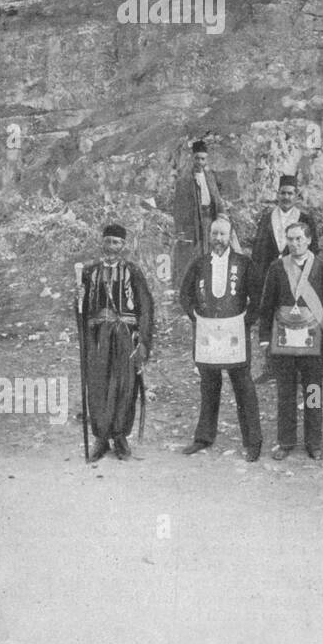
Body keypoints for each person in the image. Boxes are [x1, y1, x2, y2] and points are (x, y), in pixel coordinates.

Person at [179, 215, 262, 462]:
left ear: (230, 236)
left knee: (243, 386)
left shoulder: (244, 263)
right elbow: (185, 295)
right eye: (214, 234)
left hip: (235, 335)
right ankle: (204, 436)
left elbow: (257, 297)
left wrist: (244, 322)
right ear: (209, 236)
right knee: (209, 386)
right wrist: (196, 317)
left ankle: (253, 441)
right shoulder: (199, 264)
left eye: (222, 234)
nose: (218, 239)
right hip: (208, 336)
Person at [257, 221, 323, 460]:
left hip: (314, 343)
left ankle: (313, 442)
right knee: (286, 392)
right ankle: (286, 441)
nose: (295, 243)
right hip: (284, 342)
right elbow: (266, 304)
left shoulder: (322, 268)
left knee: (313, 391)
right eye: (290, 239)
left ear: (310, 240)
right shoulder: (278, 268)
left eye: (299, 238)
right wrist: (263, 338)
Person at [78, 223, 154, 461]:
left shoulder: (132, 271)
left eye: (116, 242)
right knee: (98, 385)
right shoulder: (90, 272)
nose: (111, 246)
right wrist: (78, 301)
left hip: (124, 336)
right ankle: (101, 438)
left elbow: (146, 308)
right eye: (108, 241)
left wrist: (143, 341)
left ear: (123, 246)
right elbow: (82, 310)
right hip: (99, 337)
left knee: (124, 386)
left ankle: (120, 436)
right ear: (102, 242)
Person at [249, 175, 318, 311]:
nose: (286, 197)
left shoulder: (306, 219)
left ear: (296, 196)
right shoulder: (267, 219)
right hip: (270, 276)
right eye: (283, 193)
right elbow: (258, 251)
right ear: (277, 195)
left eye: (290, 193)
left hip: (296, 276)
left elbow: (313, 250)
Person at [172, 139, 228, 283]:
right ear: (192, 158)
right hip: (194, 222)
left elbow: (217, 197)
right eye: (197, 158)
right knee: (195, 252)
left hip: (210, 219)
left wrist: (222, 215)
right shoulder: (184, 180)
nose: (200, 162)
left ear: (206, 160)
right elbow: (178, 207)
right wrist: (180, 229)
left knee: (211, 249)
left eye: (203, 159)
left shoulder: (210, 177)